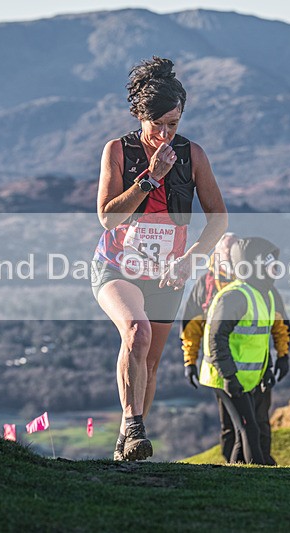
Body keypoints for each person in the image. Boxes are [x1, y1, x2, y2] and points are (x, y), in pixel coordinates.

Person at [91, 57, 227, 461]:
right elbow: (107, 215)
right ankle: (134, 427)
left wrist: (191, 258)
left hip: (169, 272)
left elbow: (218, 219)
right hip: (117, 265)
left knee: (149, 363)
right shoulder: (118, 150)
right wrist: (149, 176)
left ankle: (128, 442)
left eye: (174, 123)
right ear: (139, 115)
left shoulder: (193, 155)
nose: (166, 133)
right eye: (158, 125)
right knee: (137, 330)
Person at [181, 233, 290, 465]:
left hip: (252, 374)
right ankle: (256, 471)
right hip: (227, 374)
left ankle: (245, 469)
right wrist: (190, 361)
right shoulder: (221, 291)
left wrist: (275, 361)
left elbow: (273, 328)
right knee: (241, 428)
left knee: (254, 425)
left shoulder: (264, 292)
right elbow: (200, 331)